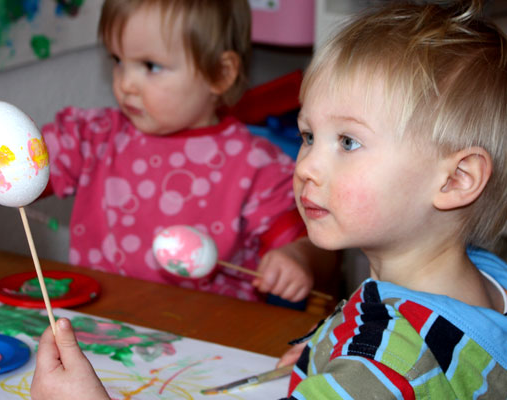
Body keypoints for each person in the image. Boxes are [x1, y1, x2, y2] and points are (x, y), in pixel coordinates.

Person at [30, 1, 507, 399]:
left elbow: (387, 372)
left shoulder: (382, 369)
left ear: (457, 179)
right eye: (307, 135)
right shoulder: (489, 279)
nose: (304, 166)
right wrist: (331, 353)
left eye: (348, 142)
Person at [0, 0, 337, 303]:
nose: (126, 83)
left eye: (150, 66)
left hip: (211, 336)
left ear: (219, 74)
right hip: (104, 323)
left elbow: (306, 238)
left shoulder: (255, 163)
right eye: (118, 60)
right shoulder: (94, 135)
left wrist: (295, 257)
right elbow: (20, 172)